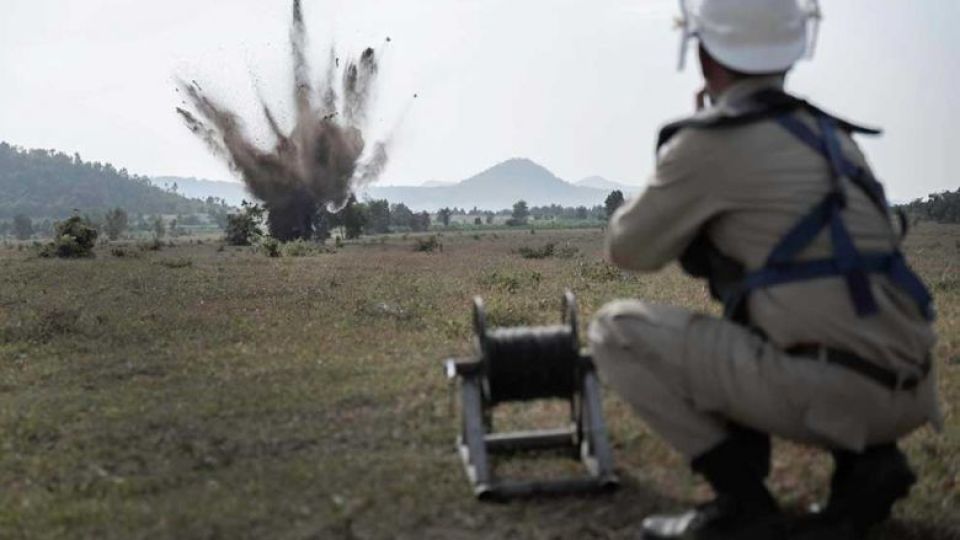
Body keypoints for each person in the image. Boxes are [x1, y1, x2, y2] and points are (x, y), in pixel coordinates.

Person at [587, 1, 942, 539]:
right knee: (799, 292)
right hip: (912, 386)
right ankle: (867, 464)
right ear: (791, 52)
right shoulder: (832, 136)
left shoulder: (710, 141)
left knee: (613, 330)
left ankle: (743, 503)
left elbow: (628, 250)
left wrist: (683, 156)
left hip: (835, 392)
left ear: (706, 55)